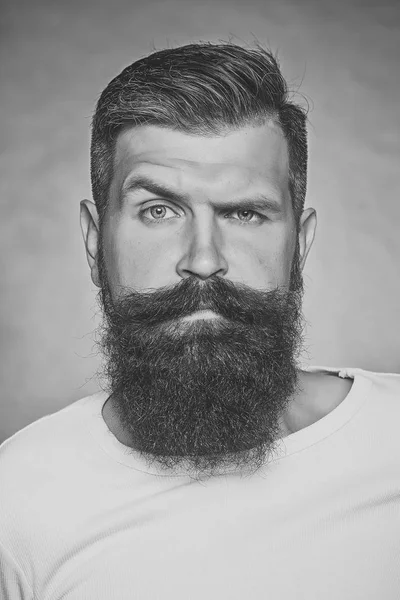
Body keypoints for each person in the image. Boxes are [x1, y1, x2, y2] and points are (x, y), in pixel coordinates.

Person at [0, 42, 399, 600]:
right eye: (158, 211)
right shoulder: (14, 504)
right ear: (95, 242)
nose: (204, 259)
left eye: (245, 212)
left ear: (299, 245)